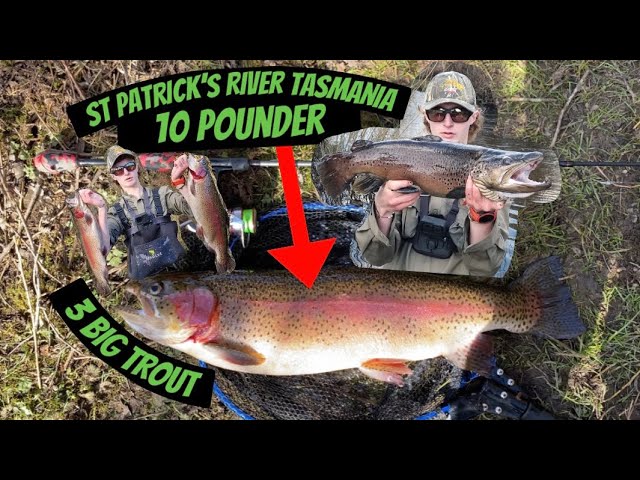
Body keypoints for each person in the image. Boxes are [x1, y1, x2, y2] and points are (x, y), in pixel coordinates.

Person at [353, 71, 511, 277]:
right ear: (426, 116)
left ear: (474, 117)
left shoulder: (492, 175)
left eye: (458, 113)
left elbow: (484, 269)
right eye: (438, 113)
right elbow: (376, 256)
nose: (447, 122)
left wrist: (482, 218)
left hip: (451, 300)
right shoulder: (402, 162)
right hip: (393, 294)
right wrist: (382, 210)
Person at [78, 145, 195, 280]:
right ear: (113, 176)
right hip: (148, 287)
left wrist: (178, 181)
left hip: (180, 275)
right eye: (118, 170)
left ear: (137, 167)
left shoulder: (162, 194)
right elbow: (102, 248)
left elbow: (194, 209)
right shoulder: (116, 212)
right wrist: (101, 208)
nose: (126, 172)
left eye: (130, 166)